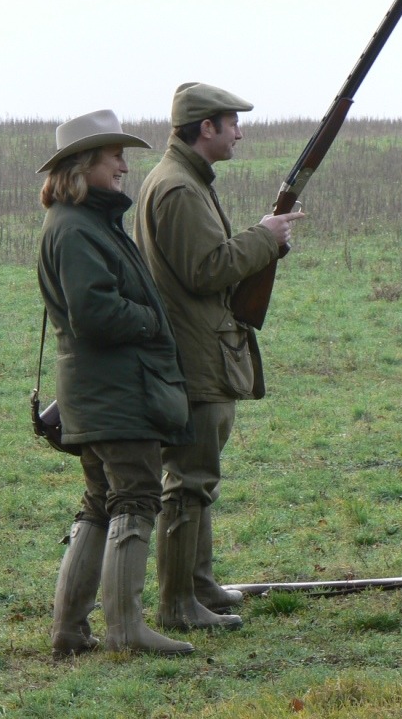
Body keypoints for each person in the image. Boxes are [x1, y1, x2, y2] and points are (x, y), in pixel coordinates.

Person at [133, 83, 304, 632]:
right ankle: (178, 604)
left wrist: (262, 240)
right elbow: (205, 269)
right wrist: (265, 237)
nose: (239, 132)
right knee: (189, 483)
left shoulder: (181, 180)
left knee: (197, 479)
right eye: (232, 123)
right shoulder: (179, 189)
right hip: (195, 355)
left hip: (197, 349)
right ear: (205, 127)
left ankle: (198, 585)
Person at [36, 109, 196, 657]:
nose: (125, 167)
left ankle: (70, 631)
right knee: (135, 496)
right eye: (115, 157)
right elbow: (95, 313)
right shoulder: (78, 229)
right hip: (115, 394)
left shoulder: (82, 221)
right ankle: (124, 629)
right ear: (85, 165)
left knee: (101, 502)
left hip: (99, 393)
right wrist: (152, 321)